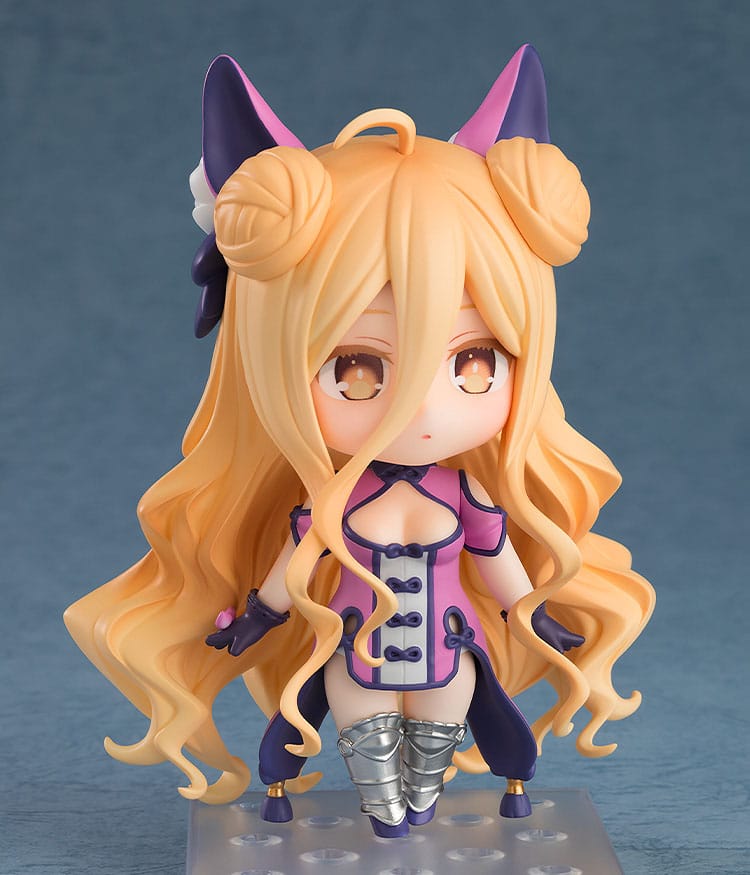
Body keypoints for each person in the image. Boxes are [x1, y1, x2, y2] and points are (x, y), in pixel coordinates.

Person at [64, 45, 655, 839]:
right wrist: (255, 619)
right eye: (355, 368)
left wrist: (537, 616)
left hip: (448, 648)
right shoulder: (328, 505)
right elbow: (291, 571)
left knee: (436, 736)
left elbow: (500, 565)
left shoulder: (467, 496)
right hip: (355, 653)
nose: (423, 406)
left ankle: (421, 801)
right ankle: (386, 812)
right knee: (369, 744)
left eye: (473, 362)